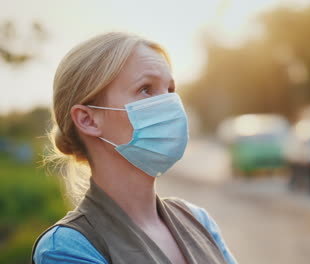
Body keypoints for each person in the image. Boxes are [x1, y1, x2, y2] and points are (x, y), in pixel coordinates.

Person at [31, 32, 237, 264]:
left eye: (169, 90)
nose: (170, 104)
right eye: (146, 89)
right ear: (88, 119)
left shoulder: (199, 221)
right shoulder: (66, 249)